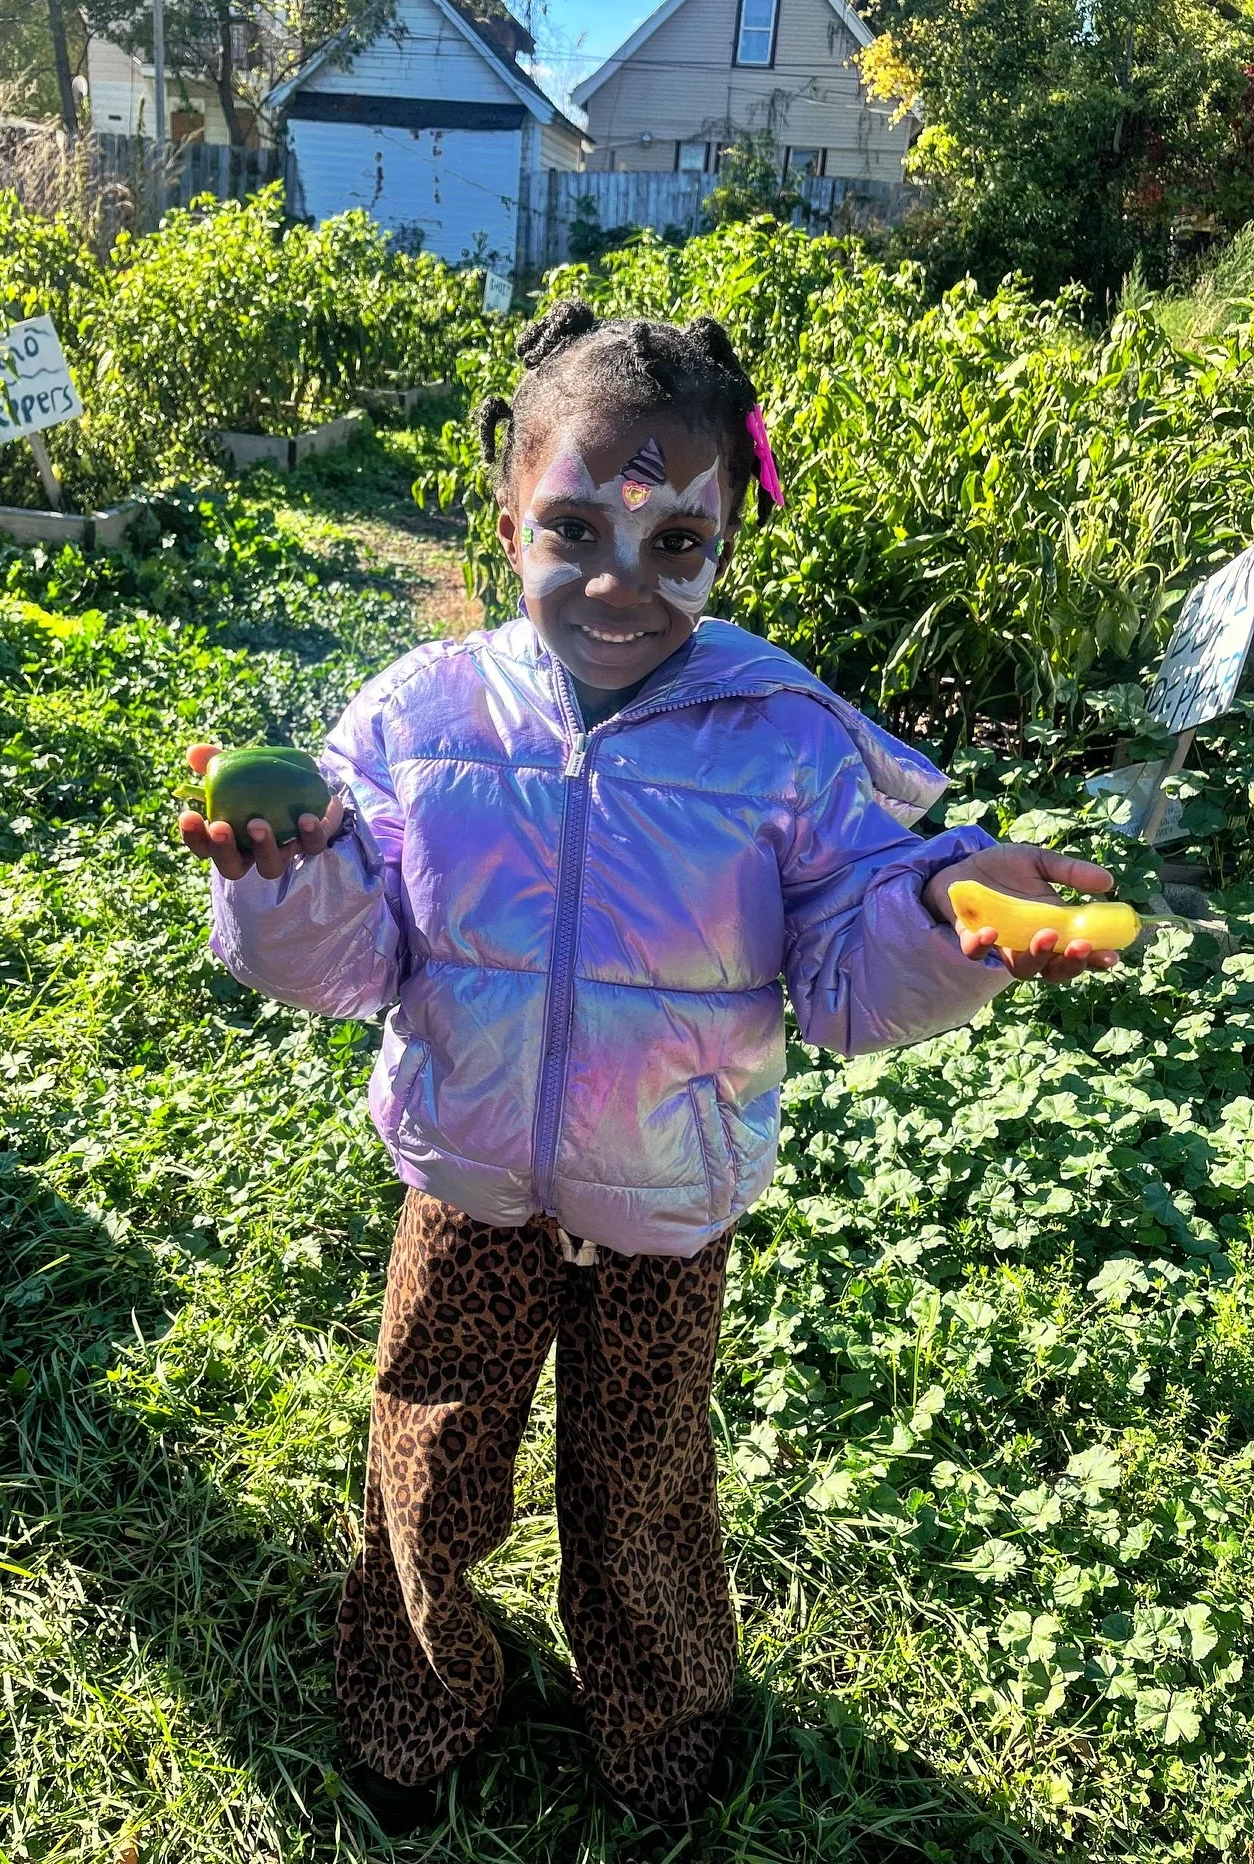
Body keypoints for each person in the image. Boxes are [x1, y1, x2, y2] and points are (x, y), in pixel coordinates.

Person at [179, 301, 1120, 1832]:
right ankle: (416, 1709)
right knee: (426, 1462)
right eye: (574, 532)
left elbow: (837, 968)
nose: (622, 583)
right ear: (505, 518)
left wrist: (948, 922)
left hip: (666, 1207)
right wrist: (285, 875)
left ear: (729, 541)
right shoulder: (420, 719)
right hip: (470, 1184)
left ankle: (664, 1738)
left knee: (646, 1494)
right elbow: (356, 963)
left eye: (677, 544)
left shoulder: (784, 740)